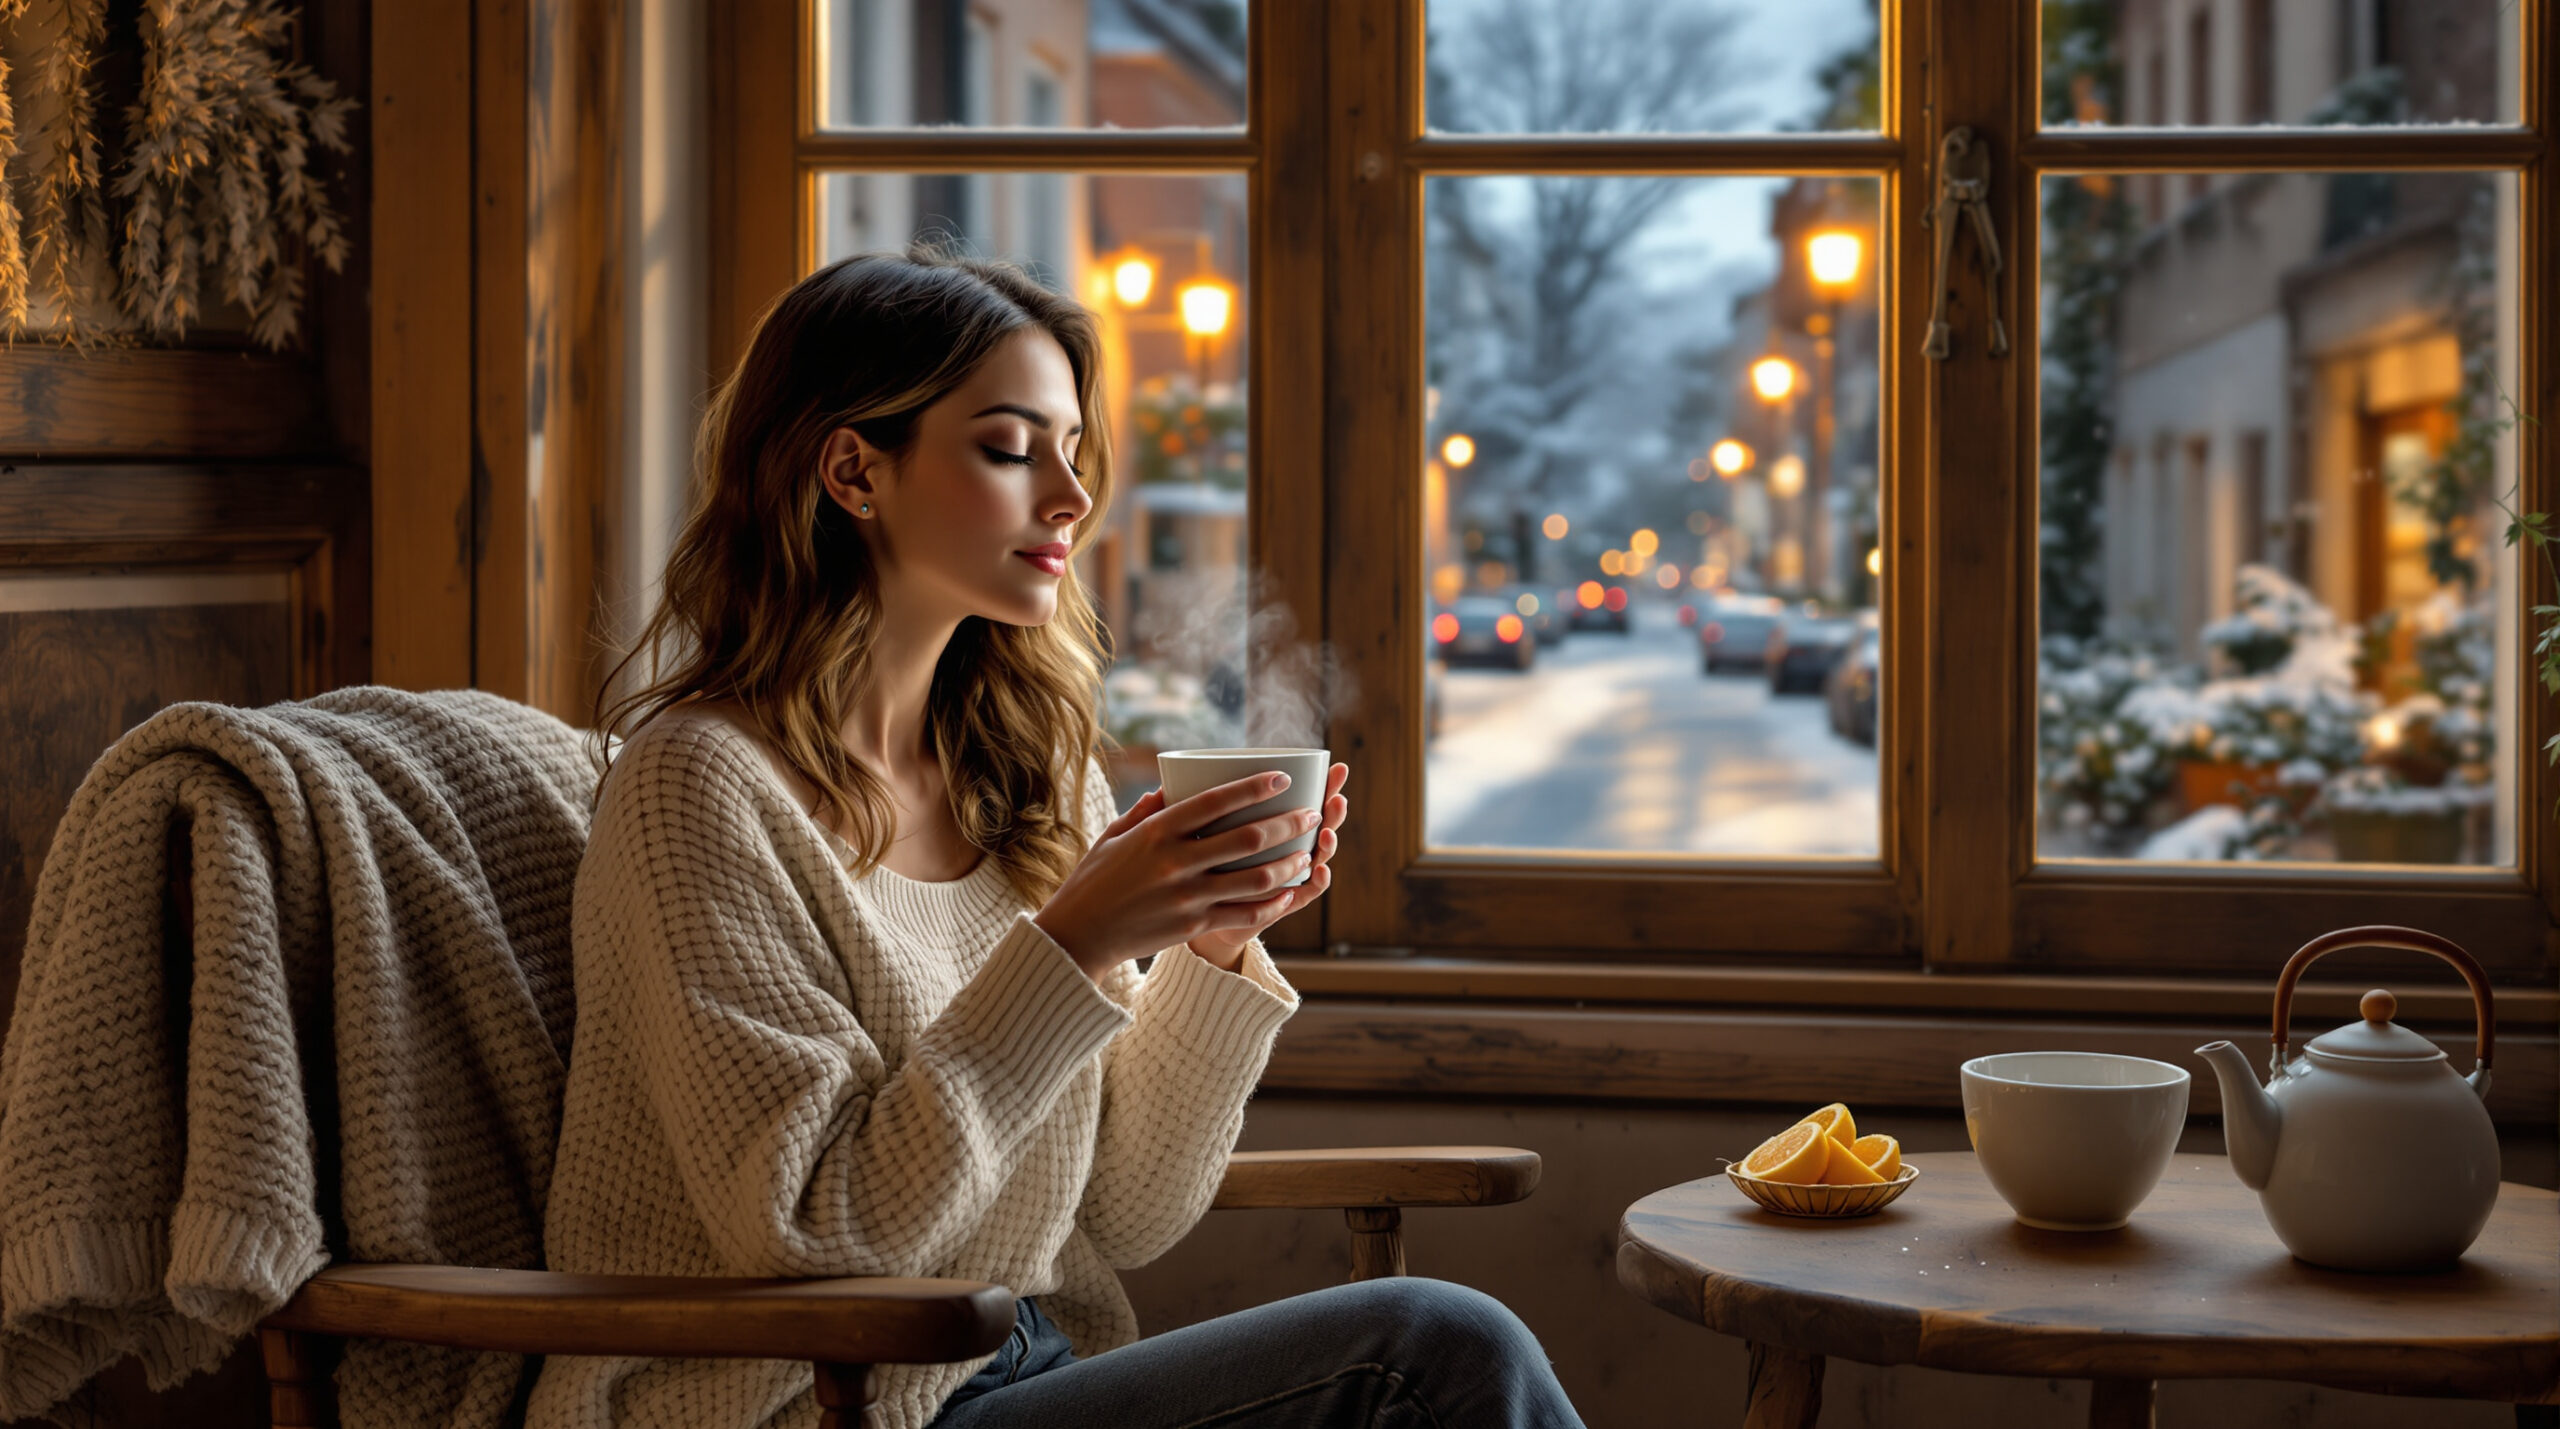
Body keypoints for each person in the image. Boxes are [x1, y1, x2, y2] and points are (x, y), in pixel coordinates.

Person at [525, 246, 1585, 1429]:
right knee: (1425, 1349)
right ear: (851, 469)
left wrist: (1211, 949)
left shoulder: (1024, 782)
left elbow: (1126, 1213)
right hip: (805, 1406)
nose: (1072, 497)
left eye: (1073, 453)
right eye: (1010, 447)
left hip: (1031, 1374)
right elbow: (823, 1230)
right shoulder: (701, 790)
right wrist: (1075, 941)